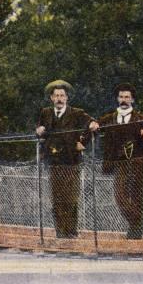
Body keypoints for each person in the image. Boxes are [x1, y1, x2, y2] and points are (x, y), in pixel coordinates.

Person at [35, 80, 98, 238]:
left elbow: (91, 123)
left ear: (67, 98)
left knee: (71, 197)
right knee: (57, 198)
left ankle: (71, 231)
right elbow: (39, 130)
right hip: (54, 162)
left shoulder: (76, 112)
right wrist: (39, 130)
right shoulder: (46, 113)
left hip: (71, 161)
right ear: (51, 98)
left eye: (62, 95)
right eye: (56, 96)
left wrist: (84, 140)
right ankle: (60, 231)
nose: (59, 98)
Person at [98, 83, 143, 239]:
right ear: (117, 98)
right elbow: (94, 127)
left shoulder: (142, 119)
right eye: (121, 96)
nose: (124, 100)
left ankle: (135, 232)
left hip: (137, 162)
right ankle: (140, 223)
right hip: (118, 163)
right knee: (120, 196)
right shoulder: (108, 118)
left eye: (127, 97)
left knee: (136, 196)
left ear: (132, 100)